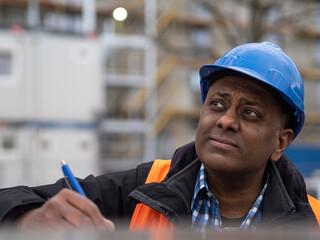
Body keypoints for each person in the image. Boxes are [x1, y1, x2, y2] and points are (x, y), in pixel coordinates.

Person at [0, 42, 319, 232]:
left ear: (281, 142)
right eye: (217, 104)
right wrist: (31, 218)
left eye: (249, 113)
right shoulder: (144, 187)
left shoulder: (312, 221)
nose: (226, 120)